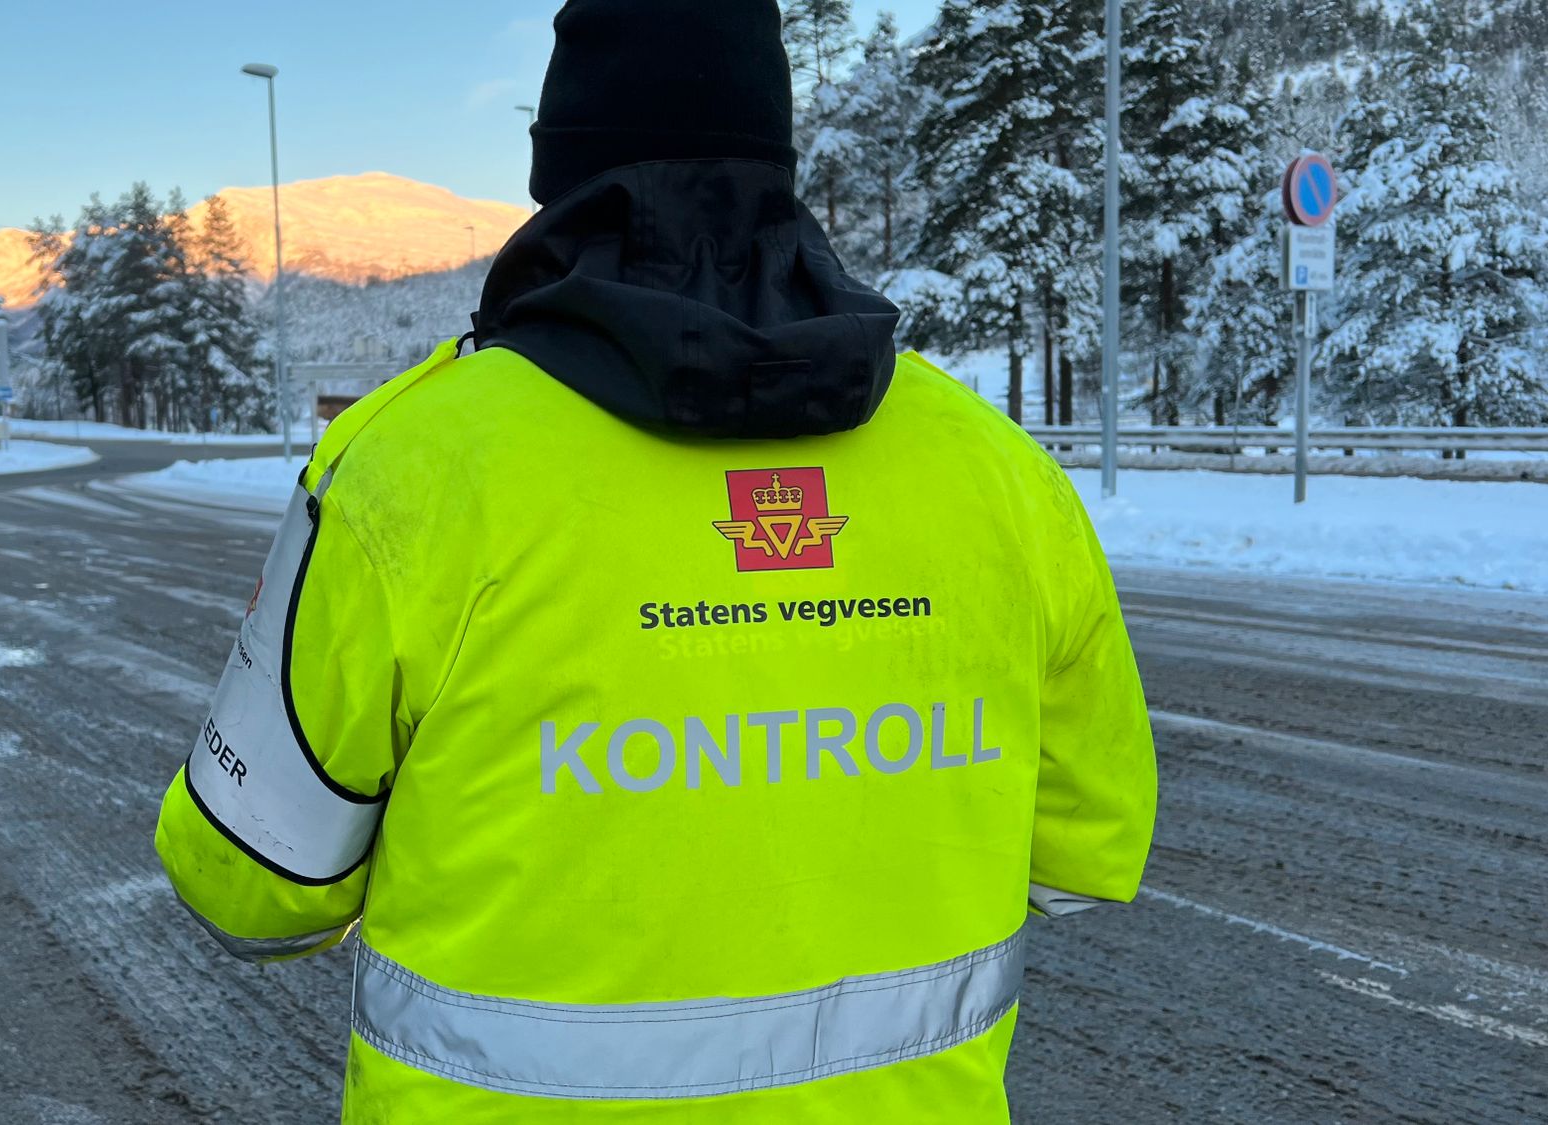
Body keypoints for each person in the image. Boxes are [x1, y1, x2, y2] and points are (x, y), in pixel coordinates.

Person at [154, 1, 1157, 1120]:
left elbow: (247, 882)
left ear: (559, 169)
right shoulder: (996, 470)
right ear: (779, 160)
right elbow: (1086, 843)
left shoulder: (409, 466)